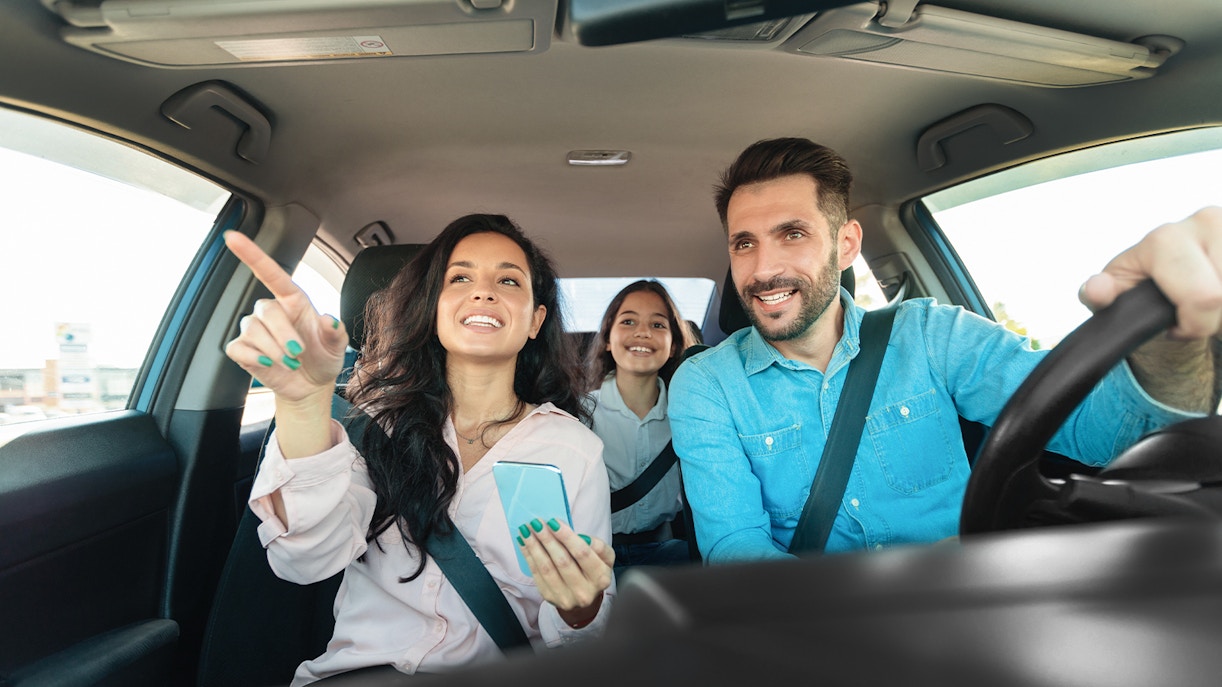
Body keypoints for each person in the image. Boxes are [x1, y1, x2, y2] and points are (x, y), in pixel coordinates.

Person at [668, 137, 1222, 564]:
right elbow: (733, 548)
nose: (764, 269)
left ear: (846, 245)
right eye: (745, 243)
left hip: (967, 615)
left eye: (792, 234)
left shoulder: (933, 335)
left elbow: (1109, 435)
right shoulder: (708, 383)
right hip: (815, 633)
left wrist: (1170, 344)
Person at [223, 214, 615, 685]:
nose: (484, 292)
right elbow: (304, 562)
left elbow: (590, 636)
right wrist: (303, 405)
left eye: (508, 280)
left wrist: (581, 609)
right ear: (433, 307)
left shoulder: (574, 448)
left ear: (535, 320)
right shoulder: (372, 421)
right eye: (460, 277)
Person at [583, 280, 699, 571]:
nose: (643, 332)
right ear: (607, 339)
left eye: (658, 325)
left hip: (669, 553)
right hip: (595, 556)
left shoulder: (693, 416)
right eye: (629, 321)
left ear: (673, 346)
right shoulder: (577, 414)